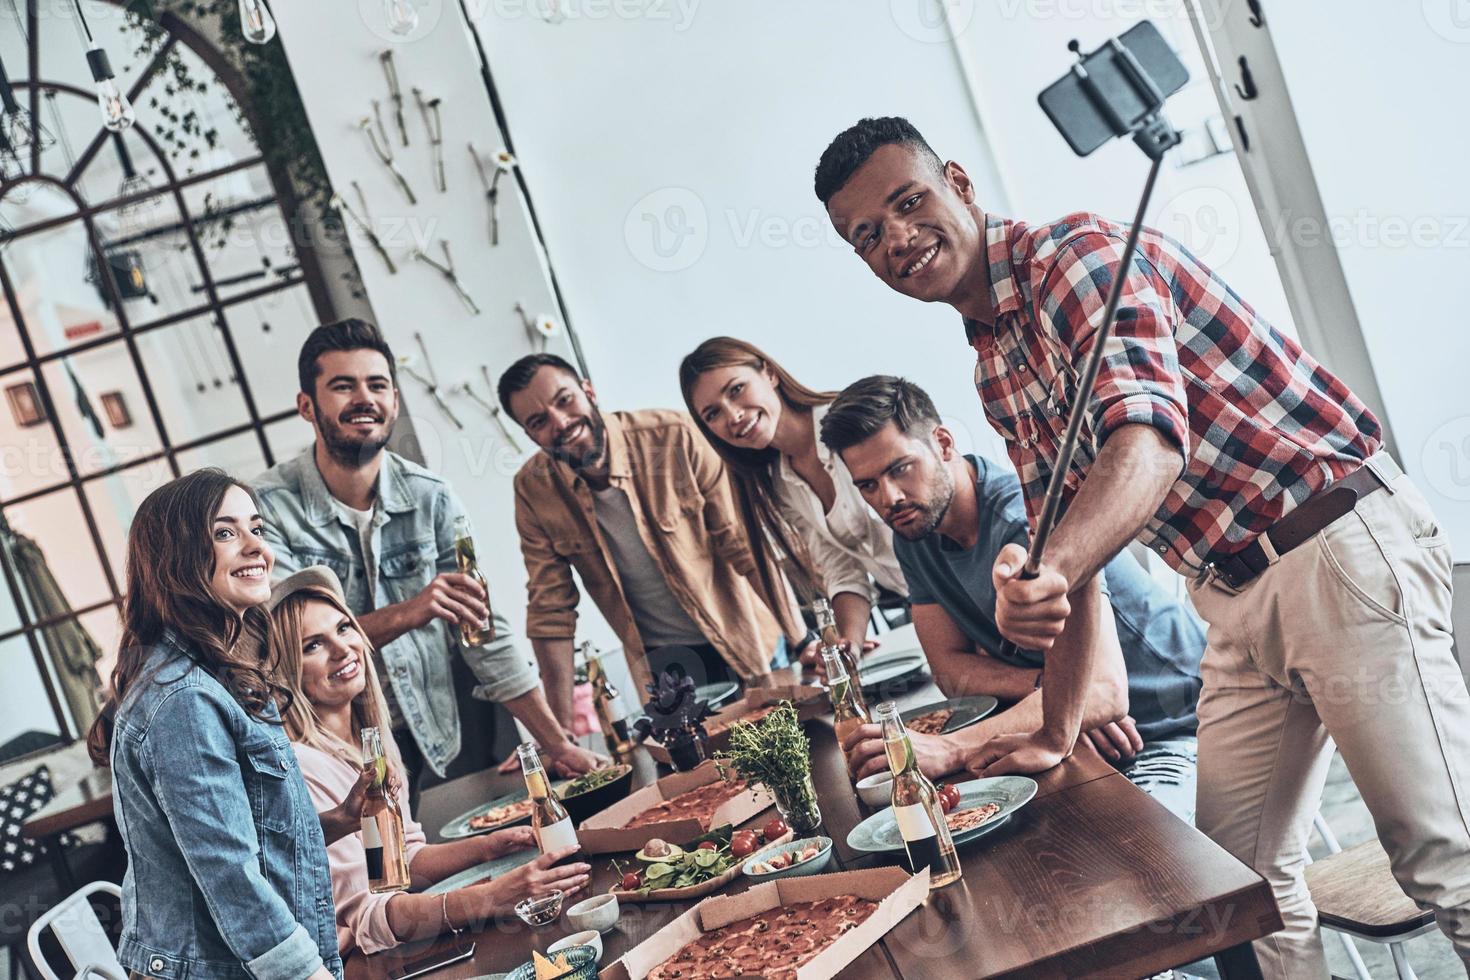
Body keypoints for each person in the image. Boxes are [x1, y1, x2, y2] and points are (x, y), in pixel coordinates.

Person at [814, 115, 1470, 976]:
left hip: (1332, 545)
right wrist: (1053, 730)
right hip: (1229, 595)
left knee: (1440, 860)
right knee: (1240, 883)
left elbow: (1148, 442)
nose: (896, 238)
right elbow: (1071, 553)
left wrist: (1047, 567)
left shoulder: (1075, 257)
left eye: (910, 202)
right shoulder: (993, 364)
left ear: (961, 186)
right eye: (868, 235)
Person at [821, 376, 1204, 822]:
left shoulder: (1022, 515)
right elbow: (949, 669)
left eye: (900, 468)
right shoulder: (915, 533)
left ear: (943, 443)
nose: (889, 498)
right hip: (1070, 738)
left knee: (1135, 864)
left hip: (1176, 727)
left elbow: (1102, 691)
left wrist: (950, 748)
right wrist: (1053, 695)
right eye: (868, 485)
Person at [253, 320, 602, 795]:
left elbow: (482, 629)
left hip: (441, 729)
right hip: (329, 750)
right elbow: (285, 646)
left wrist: (556, 742)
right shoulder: (267, 509)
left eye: (377, 385)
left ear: (394, 401)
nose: (363, 398)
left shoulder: (432, 498)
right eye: (342, 386)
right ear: (306, 406)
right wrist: (410, 611)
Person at [86, 469, 339, 980]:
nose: (255, 547)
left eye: (257, 529)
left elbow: (246, 841)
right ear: (177, 561)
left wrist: (338, 820)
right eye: (225, 533)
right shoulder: (183, 699)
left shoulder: (217, 671)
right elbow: (230, 873)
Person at [266, 565, 590, 955]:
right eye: (312, 645)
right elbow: (370, 918)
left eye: (344, 628)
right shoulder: (300, 767)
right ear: (286, 671)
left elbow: (403, 859)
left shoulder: (371, 743)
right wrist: (493, 896)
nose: (342, 650)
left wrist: (488, 847)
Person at [496, 352, 807, 721]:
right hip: (665, 668)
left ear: (588, 390)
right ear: (529, 434)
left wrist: (802, 641)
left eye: (565, 400)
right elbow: (551, 610)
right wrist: (560, 737)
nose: (560, 422)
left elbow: (745, 548)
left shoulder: (673, 436)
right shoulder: (534, 490)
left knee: (790, 751)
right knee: (705, 776)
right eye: (538, 421)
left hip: (749, 640)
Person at [680, 336, 898, 664]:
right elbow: (842, 569)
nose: (733, 416)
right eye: (713, 414)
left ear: (769, 373)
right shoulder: (778, 482)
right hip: (933, 601)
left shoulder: (853, 423)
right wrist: (846, 651)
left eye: (736, 390)